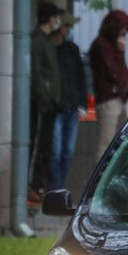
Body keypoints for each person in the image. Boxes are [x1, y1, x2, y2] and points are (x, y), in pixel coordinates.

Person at [89, 10, 128, 160]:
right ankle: (99, 180)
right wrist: (120, 52)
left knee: (120, 140)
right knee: (106, 142)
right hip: (109, 99)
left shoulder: (111, 47)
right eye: (121, 31)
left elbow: (120, 72)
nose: (123, 35)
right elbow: (115, 73)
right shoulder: (102, 46)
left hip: (120, 98)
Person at [48, 14, 88, 192]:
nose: (69, 30)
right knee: (55, 152)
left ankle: (58, 187)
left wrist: (82, 102)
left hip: (71, 107)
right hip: (56, 108)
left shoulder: (72, 50)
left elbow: (80, 77)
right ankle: (55, 188)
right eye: (67, 27)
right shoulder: (51, 49)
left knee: (67, 152)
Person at [28, 2, 62, 205]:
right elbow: (37, 74)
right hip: (41, 103)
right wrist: (45, 96)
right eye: (55, 17)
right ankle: (33, 186)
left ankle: (39, 185)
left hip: (49, 103)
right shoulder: (37, 41)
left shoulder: (46, 41)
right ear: (50, 18)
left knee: (46, 146)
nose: (57, 21)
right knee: (37, 144)